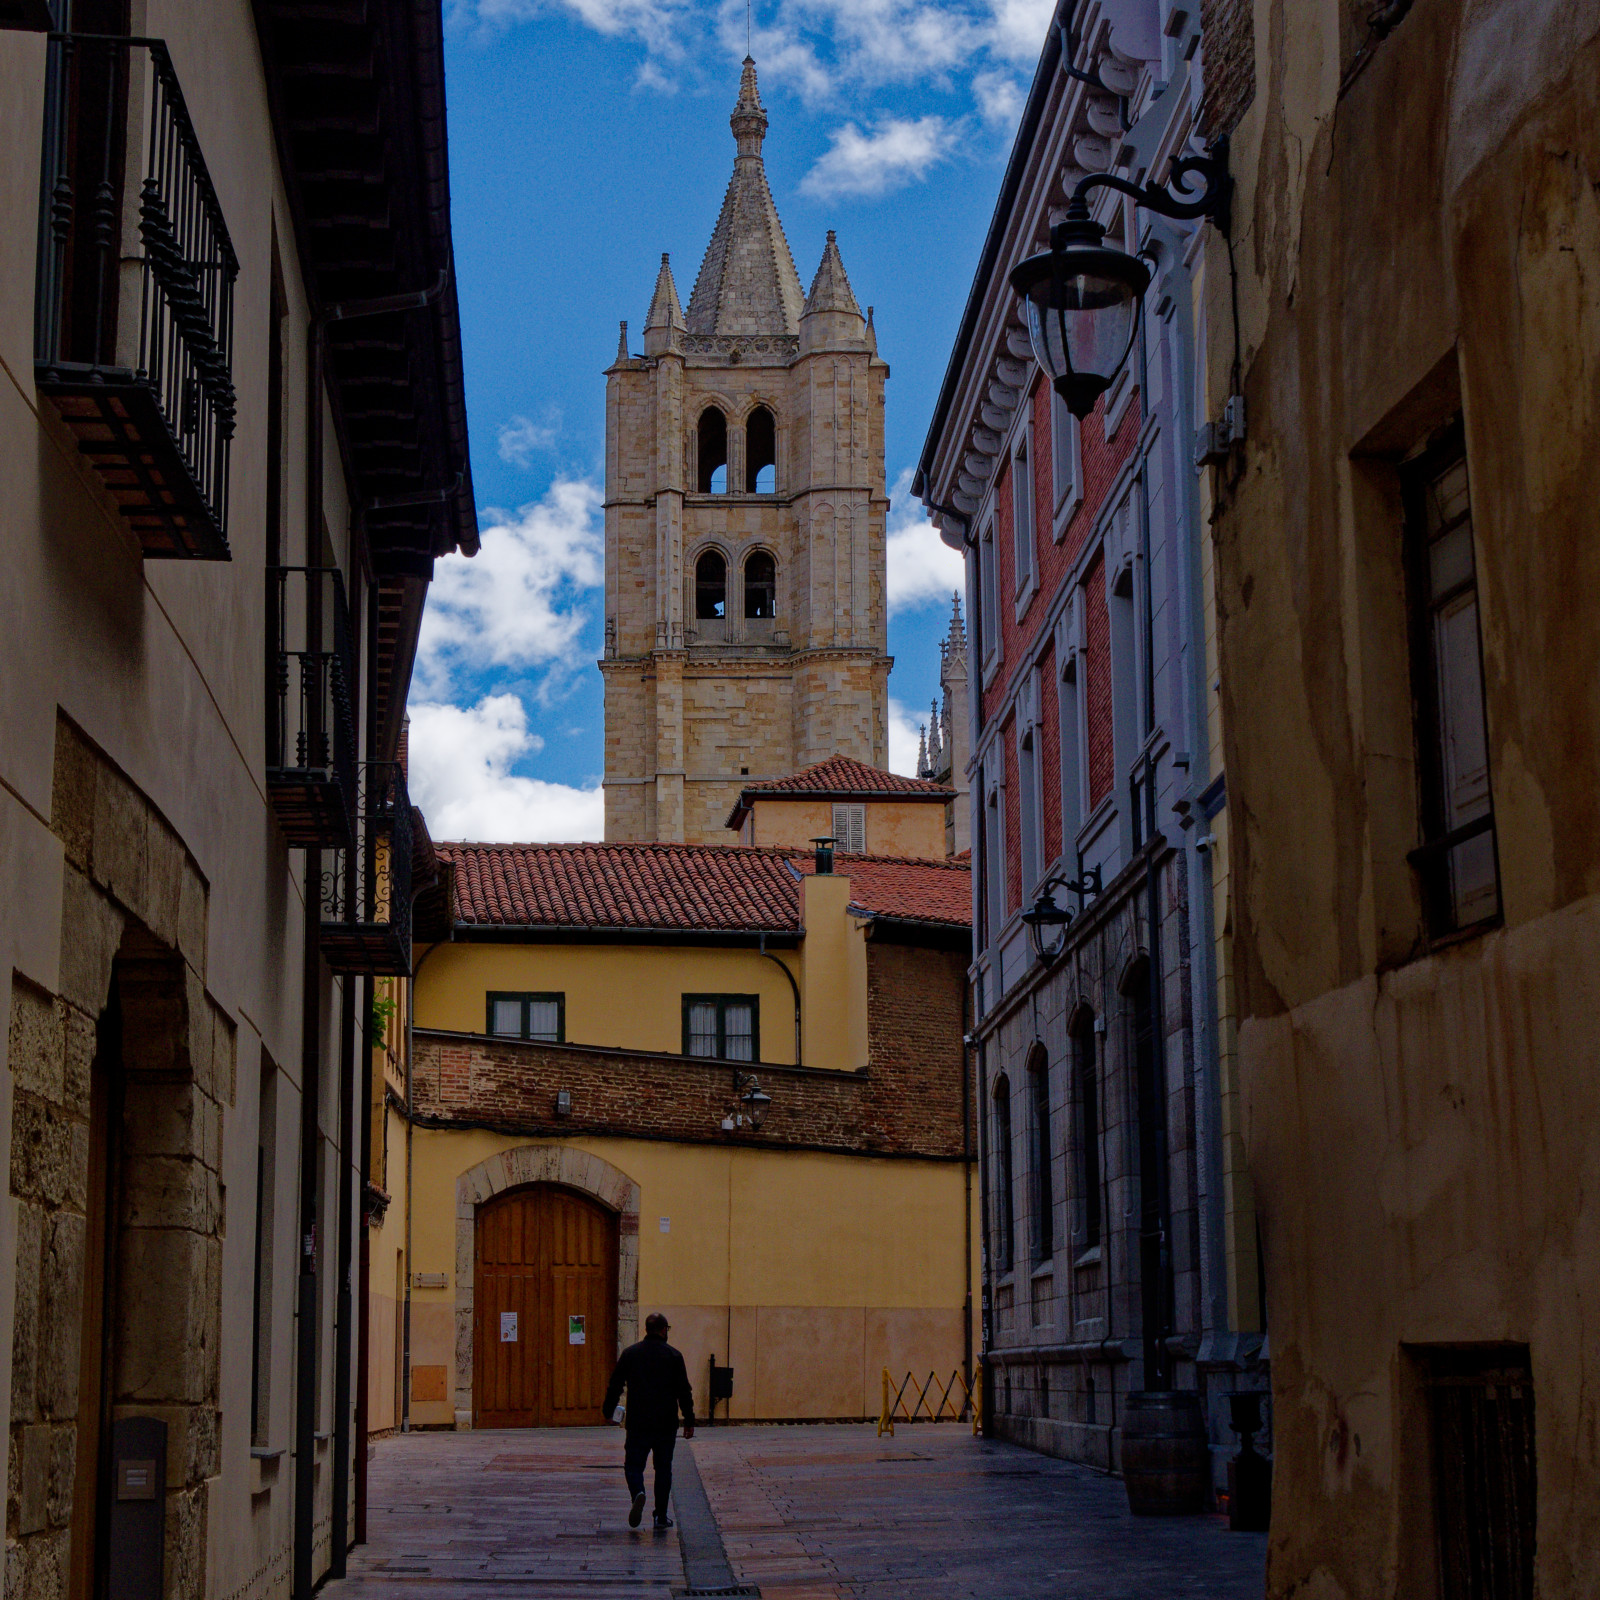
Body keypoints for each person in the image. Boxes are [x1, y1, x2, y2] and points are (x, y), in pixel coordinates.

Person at [601, 1311, 695, 1531]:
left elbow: (615, 1384)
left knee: (633, 1465)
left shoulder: (631, 1354)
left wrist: (608, 1410)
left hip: (638, 1422)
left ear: (646, 1329)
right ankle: (660, 1516)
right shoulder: (674, 1356)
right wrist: (689, 1420)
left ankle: (638, 1492)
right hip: (665, 1423)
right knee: (663, 1469)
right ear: (663, 1330)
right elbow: (684, 1391)